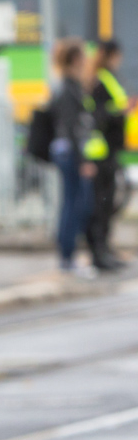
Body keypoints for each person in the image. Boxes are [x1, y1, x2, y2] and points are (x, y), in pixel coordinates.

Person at [50, 37, 98, 277]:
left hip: (68, 153)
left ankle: (67, 254)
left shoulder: (69, 85)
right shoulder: (69, 88)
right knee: (75, 204)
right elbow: (72, 129)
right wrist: (84, 161)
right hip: (72, 155)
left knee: (74, 202)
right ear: (77, 59)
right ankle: (67, 256)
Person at [85, 39, 128, 271]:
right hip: (100, 152)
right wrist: (120, 111)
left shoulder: (106, 77)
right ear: (111, 55)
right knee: (101, 204)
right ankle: (99, 253)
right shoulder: (100, 80)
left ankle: (104, 250)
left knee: (108, 202)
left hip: (109, 150)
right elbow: (99, 114)